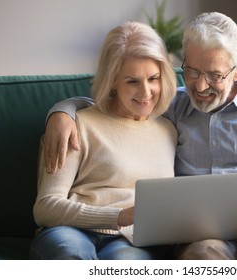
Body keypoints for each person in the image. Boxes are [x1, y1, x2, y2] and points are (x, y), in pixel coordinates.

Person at [44, 12, 237, 260]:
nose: (201, 86)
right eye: (192, 71)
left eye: (214, 75)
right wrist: (64, 111)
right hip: (200, 230)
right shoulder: (171, 107)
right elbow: (114, 105)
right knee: (204, 254)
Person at [30, 21, 177, 260]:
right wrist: (118, 217)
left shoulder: (170, 130)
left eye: (153, 78)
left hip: (132, 240)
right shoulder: (75, 124)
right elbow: (45, 207)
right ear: (112, 81)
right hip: (70, 230)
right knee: (71, 253)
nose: (146, 92)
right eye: (132, 81)